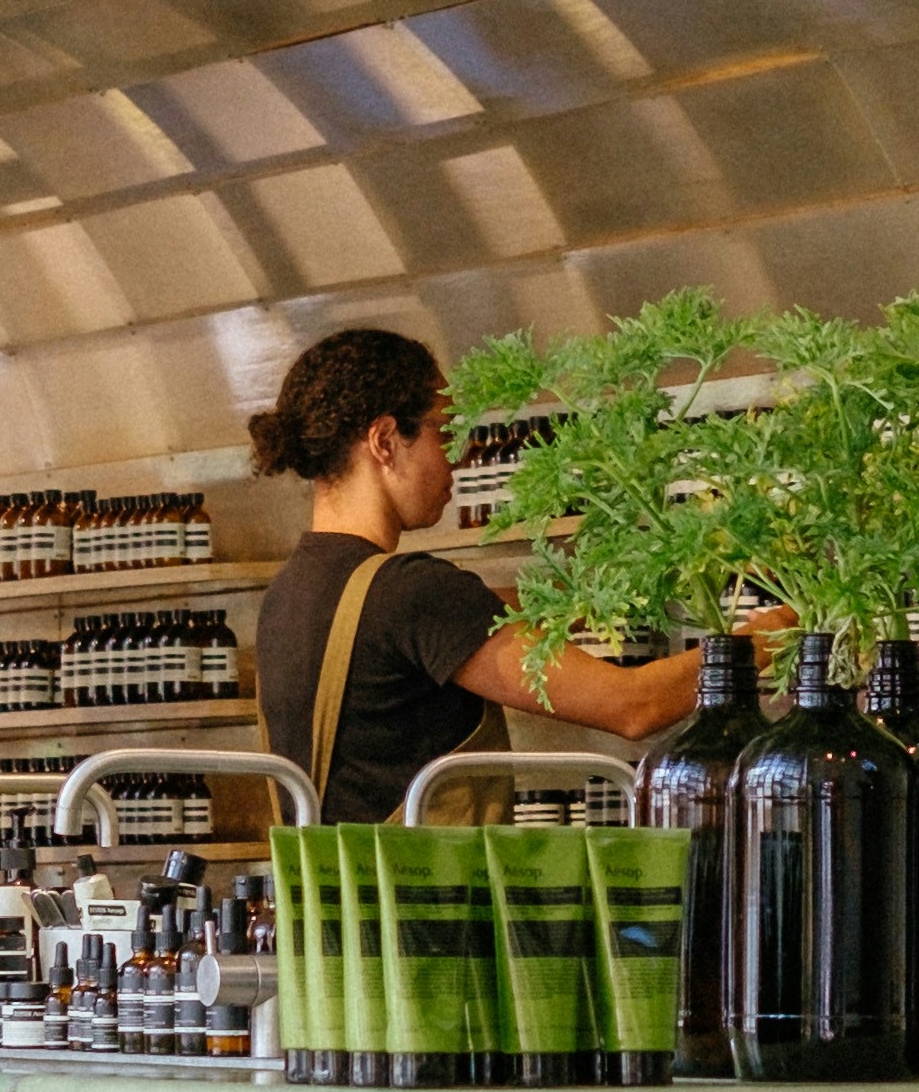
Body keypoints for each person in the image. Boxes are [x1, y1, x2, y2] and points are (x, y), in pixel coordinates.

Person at [246, 325, 751, 824]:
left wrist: (599, 594)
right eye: (443, 433)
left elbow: (470, 621)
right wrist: (772, 635)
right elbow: (633, 705)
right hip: (427, 900)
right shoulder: (417, 593)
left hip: (328, 900)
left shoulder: (289, 595)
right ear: (384, 440)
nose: (458, 457)